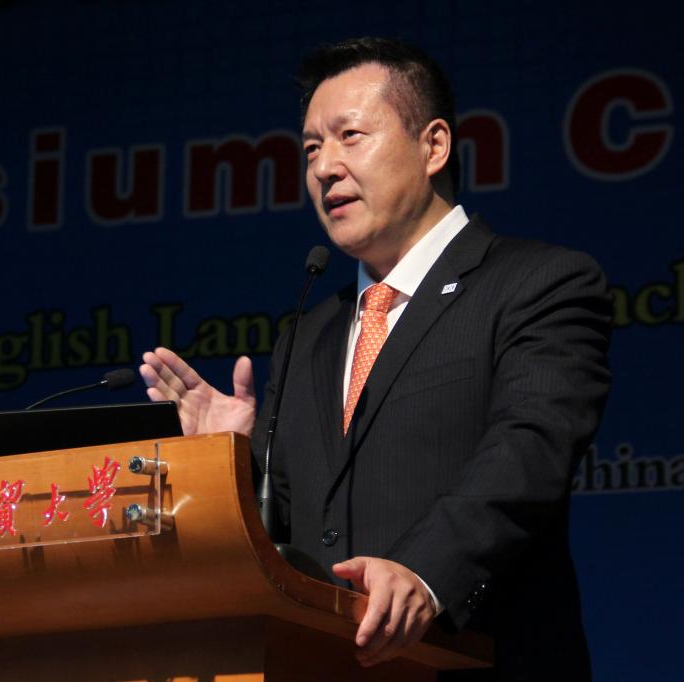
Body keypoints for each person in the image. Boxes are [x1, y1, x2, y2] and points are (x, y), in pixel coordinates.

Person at [139, 37, 610, 680]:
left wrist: (425, 571)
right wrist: (239, 463)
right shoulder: (310, 335)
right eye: (311, 148)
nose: (324, 168)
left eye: (350, 137)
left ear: (433, 146)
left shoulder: (539, 283)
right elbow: (292, 533)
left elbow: (530, 452)